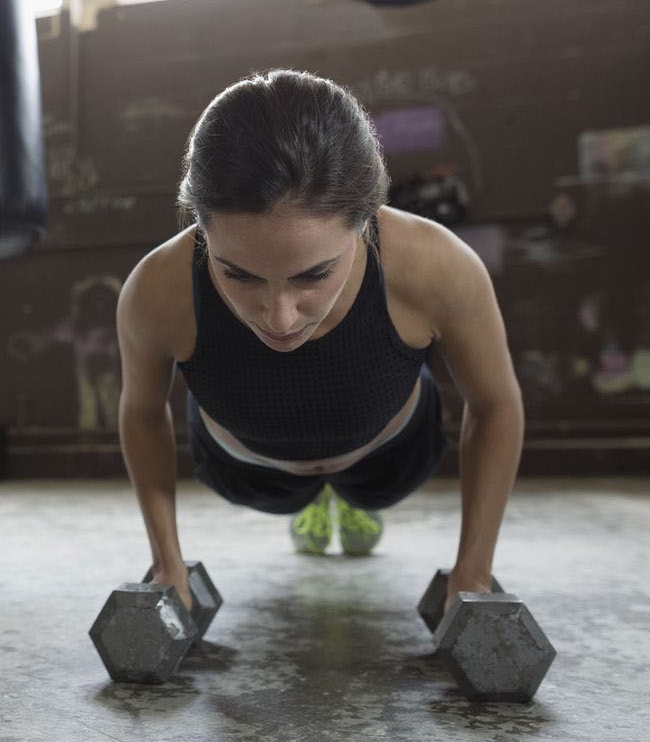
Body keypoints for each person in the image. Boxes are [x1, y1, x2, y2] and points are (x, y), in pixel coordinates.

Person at [116, 69, 523, 620]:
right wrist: (168, 562)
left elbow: (496, 403)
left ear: (364, 220)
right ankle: (310, 503)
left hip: (389, 457)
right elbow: (141, 414)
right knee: (279, 493)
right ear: (201, 227)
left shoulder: (437, 265)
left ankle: (349, 499)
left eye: (313, 276)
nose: (280, 318)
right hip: (247, 468)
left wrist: (472, 569)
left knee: (371, 490)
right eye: (238, 275)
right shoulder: (156, 287)